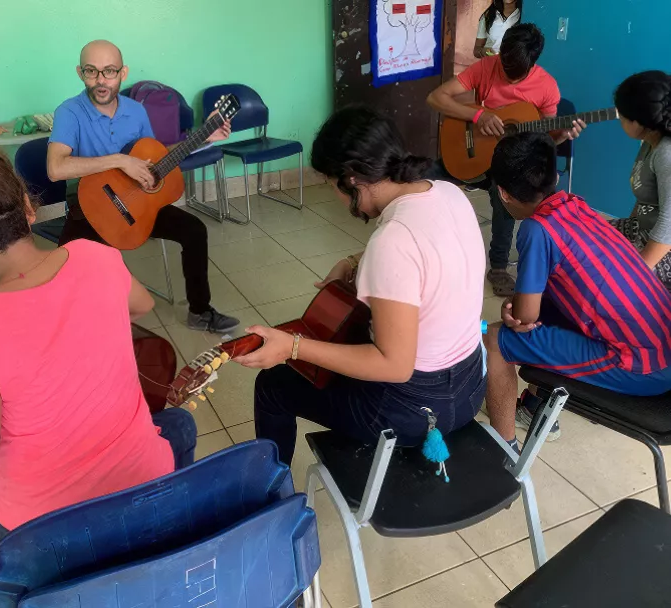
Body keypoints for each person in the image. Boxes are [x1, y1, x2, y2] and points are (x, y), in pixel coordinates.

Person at [0, 134, 197, 538]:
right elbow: (141, 305)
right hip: (142, 486)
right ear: (29, 207)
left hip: (49, 527)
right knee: (178, 425)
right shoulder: (96, 256)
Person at [233, 106, 487, 465]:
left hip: (413, 413)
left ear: (350, 179)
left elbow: (394, 366)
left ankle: (271, 496)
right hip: (471, 387)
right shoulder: (446, 192)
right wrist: (353, 262)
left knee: (274, 384)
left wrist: (293, 347)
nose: (335, 198)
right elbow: (425, 252)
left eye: (329, 184)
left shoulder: (393, 242)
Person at [483, 132, 671, 449]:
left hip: (643, 365)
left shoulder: (536, 228)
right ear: (555, 176)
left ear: (503, 194)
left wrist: (518, 307)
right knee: (547, 317)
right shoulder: (577, 205)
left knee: (495, 341)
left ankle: (502, 452)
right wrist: (523, 305)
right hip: (661, 343)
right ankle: (533, 406)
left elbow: (526, 315)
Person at [47, 39, 239, 333]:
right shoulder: (69, 112)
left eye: (109, 71)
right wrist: (119, 161)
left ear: (123, 73)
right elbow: (55, 168)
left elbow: (156, 159)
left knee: (194, 230)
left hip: (136, 206)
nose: (101, 80)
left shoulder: (136, 111)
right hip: (90, 207)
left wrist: (205, 137)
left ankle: (200, 311)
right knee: (67, 278)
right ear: (79, 72)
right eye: (91, 71)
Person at [427, 23, 585, 297]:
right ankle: (426, 247)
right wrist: (478, 116)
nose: (509, 79)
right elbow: (435, 98)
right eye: (505, 69)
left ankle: (498, 266)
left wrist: (562, 137)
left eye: (517, 74)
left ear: (533, 63)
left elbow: (544, 141)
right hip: (477, 153)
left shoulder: (547, 87)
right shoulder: (486, 66)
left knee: (505, 198)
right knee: (425, 176)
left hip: (513, 161)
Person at [609, 71, 671, 291]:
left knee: (605, 277)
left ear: (638, 121)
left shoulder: (666, 154)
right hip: (644, 230)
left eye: (623, 116)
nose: (621, 120)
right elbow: (644, 198)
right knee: (585, 238)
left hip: (663, 249)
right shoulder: (650, 141)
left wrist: (639, 272)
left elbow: (669, 224)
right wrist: (627, 229)